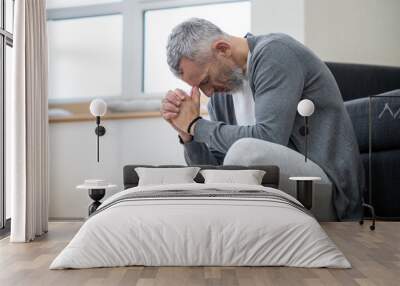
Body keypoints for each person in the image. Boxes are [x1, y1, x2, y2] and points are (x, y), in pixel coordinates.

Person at [160, 18, 364, 220]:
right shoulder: (221, 99)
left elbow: (269, 138)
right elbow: (214, 173)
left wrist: (197, 125)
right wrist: (188, 136)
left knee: (245, 151)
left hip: (330, 192)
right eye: (199, 87)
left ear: (222, 49)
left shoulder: (275, 52)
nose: (208, 93)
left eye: (205, 80)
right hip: (277, 192)